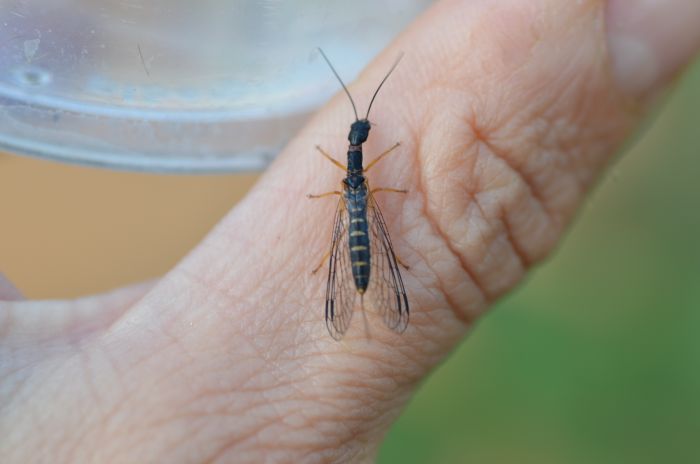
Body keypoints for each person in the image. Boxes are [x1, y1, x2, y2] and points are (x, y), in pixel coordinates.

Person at [1, 0, 699, 461]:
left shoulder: (348, 178)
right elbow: (363, 193)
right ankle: (357, 291)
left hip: (355, 219)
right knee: (363, 244)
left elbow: (354, 191)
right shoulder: (355, 178)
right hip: (362, 224)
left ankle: (355, 292)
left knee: (357, 241)